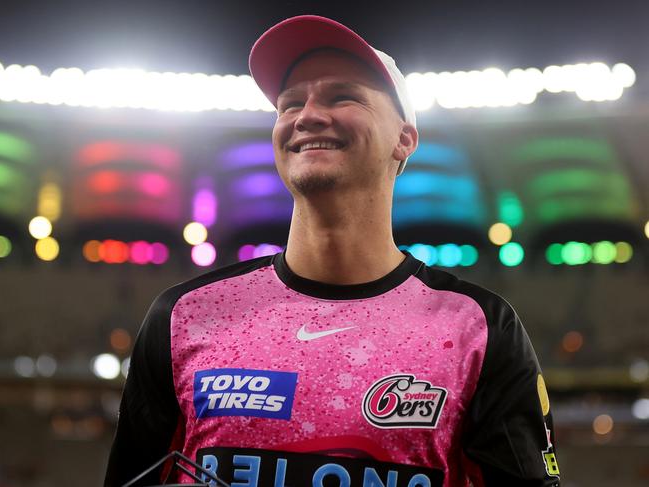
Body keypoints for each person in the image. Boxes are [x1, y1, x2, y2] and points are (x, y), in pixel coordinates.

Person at [105, 15, 560, 487]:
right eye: (291, 103)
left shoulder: (477, 328)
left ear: (404, 139)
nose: (307, 116)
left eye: (342, 96)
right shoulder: (185, 316)